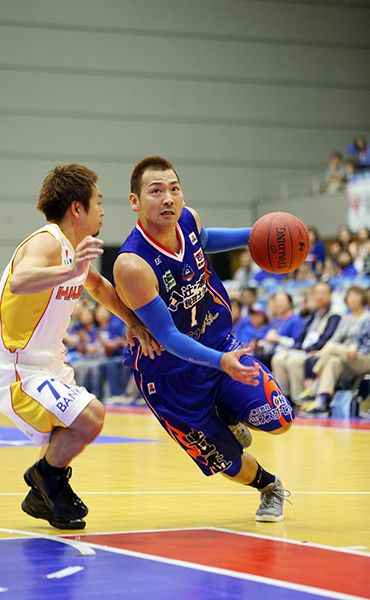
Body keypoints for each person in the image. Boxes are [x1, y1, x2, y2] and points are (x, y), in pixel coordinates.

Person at [113, 156, 294, 523]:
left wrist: (256, 234)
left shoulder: (188, 220)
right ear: (135, 201)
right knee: (228, 462)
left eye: (174, 189)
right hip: (170, 376)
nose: (168, 198)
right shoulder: (132, 266)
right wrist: (220, 362)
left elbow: (205, 239)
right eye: (156, 191)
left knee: (280, 418)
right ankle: (270, 486)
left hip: (217, 344)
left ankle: (226, 412)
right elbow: (167, 336)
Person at [0, 164, 158, 530]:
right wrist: (69, 269)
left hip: (48, 364)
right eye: (98, 201)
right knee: (90, 417)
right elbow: (20, 281)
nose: (103, 211)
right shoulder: (46, 242)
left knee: (65, 432)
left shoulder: (74, 250)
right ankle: (45, 480)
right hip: (15, 367)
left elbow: (100, 288)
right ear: (77, 208)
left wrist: (134, 323)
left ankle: (44, 493)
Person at [298, 286, 370, 416]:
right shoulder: (346, 318)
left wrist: (354, 346)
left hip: (364, 356)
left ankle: (314, 386)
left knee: (332, 349)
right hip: (346, 355)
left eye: (356, 296)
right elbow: (335, 339)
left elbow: (361, 341)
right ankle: (321, 402)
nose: (352, 299)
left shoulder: (367, 317)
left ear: (363, 298)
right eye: (350, 296)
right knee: (333, 361)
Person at [271, 281, 340, 403]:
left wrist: (303, 351)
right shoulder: (313, 315)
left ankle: (299, 399)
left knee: (293, 361)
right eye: (317, 293)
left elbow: (326, 338)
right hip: (304, 350)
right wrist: (294, 349)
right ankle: (285, 399)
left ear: (330, 294)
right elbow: (301, 336)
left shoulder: (334, 315)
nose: (320, 296)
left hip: (318, 352)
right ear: (313, 295)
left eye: (324, 292)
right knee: (278, 359)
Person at [255, 292, 305, 370]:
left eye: (281, 301)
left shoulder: (296, 320)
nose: (278, 304)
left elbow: (297, 343)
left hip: (286, 354)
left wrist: (278, 339)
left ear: (290, 303)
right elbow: (267, 339)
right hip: (273, 353)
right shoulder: (277, 321)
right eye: (276, 301)